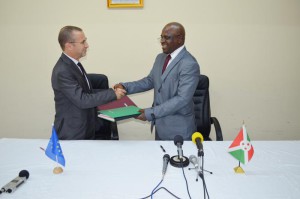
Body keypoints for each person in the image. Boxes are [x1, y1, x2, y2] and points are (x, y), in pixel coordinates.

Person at [114, 22, 200, 140]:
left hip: (178, 130)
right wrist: (125, 87)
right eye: (161, 37)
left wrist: (150, 113)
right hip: (160, 126)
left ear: (180, 39)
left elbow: (182, 99)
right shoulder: (161, 58)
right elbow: (150, 81)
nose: (162, 41)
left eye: (167, 37)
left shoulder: (189, 64)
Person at [52, 25, 126, 140]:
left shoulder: (74, 64)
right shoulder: (63, 71)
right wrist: (112, 94)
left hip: (85, 127)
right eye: (83, 42)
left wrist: (111, 91)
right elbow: (82, 100)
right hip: (73, 133)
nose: (87, 45)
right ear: (69, 46)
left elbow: (86, 91)